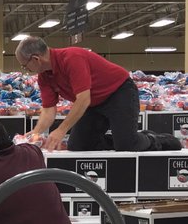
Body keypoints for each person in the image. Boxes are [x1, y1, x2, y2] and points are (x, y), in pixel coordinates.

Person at [18, 37, 176, 152]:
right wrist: (36, 132)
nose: (27, 70)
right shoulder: (44, 77)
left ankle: (156, 139)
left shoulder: (72, 58)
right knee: (78, 146)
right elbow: (48, 109)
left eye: (25, 66)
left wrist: (61, 130)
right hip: (94, 103)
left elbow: (83, 98)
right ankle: (122, 137)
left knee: (127, 145)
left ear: (36, 59)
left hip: (119, 92)